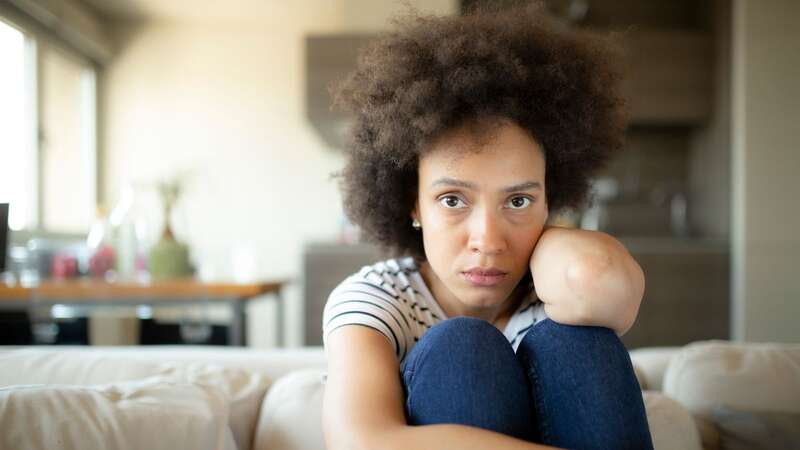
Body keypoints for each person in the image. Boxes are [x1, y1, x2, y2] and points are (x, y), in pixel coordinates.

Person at [321, 3, 653, 450]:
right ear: (412, 203)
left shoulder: (553, 291)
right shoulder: (376, 299)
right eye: (453, 199)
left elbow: (596, 279)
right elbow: (361, 441)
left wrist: (548, 231)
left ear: (550, 198)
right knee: (462, 347)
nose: (488, 241)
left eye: (518, 200)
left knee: (577, 338)